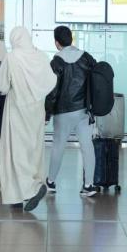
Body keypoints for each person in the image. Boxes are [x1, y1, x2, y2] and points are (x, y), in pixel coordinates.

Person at [0, 27, 57, 211]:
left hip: (17, 108)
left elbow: (2, 85)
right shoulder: (41, 56)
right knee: (34, 149)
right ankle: (26, 189)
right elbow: (50, 81)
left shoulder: (12, 57)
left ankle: (29, 189)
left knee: (15, 151)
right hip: (36, 109)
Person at [45, 26, 98, 197]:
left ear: (56, 42)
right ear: (71, 39)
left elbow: (52, 91)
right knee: (87, 146)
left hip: (63, 111)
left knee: (58, 146)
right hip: (84, 110)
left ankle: (51, 182)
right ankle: (89, 185)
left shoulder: (56, 62)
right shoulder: (86, 57)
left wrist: (47, 112)